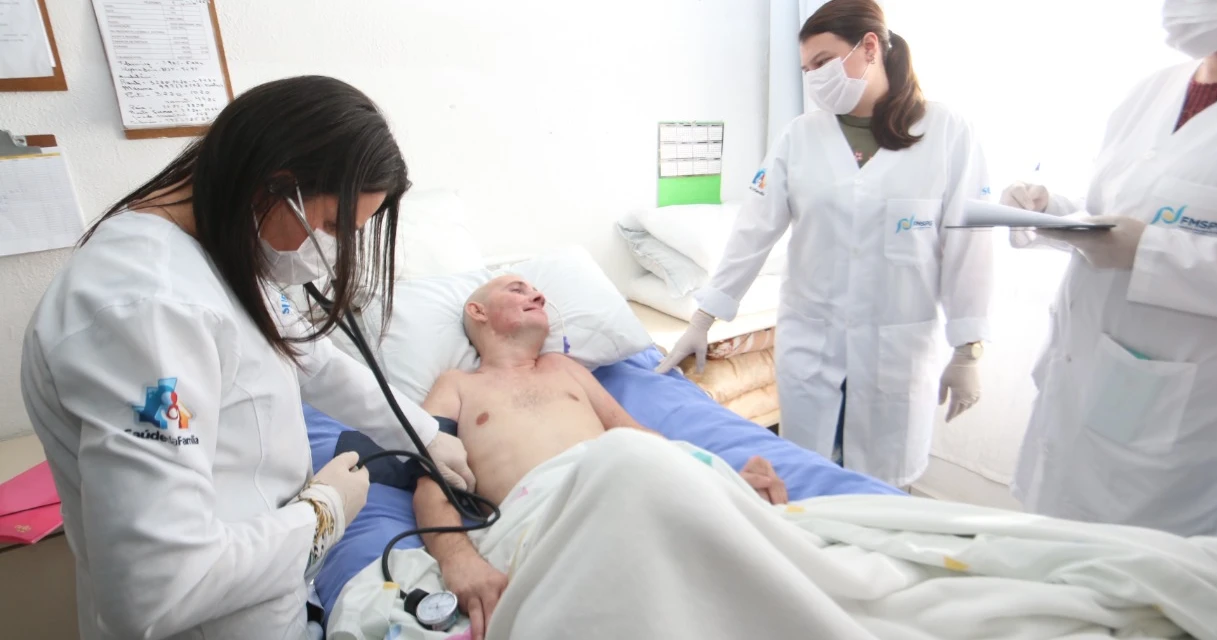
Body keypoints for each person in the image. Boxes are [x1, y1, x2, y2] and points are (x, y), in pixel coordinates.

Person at [19, 76, 476, 640]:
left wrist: (424, 434)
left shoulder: (218, 253)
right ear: (276, 185)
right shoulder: (147, 312)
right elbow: (156, 589)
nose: (331, 249)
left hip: (272, 603)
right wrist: (325, 512)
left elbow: (315, 361)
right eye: (331, 226)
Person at [656, 0, 994, 488]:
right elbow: (753, 232)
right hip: (812, 348)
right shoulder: (801, 136)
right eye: (806, 70)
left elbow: (969, 246)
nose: (814, 78)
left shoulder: (946, 133)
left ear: (870, 47)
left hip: (895, 352)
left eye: (823, 62)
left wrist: (968, 348)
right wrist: (703, 318)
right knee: (806, 485)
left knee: (881, 495)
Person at [999, 0, 1217, 547]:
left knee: (1143, 586)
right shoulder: (1152, 91)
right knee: (1045, 563)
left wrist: (1150, 251)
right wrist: (1053, 210)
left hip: (1183, 437)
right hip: (1078, 387)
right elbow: (1120, 212)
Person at [412, 275, 789, 639]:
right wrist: (457, 560)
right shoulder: (456, 385)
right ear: (478, 311)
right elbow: (432, 482)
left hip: (621, 478)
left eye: (537, 291)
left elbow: (637, 437)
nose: (538, 296)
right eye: (517, 289)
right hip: (546, 513)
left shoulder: (564, 367)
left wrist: (720, 482)